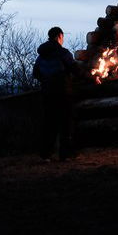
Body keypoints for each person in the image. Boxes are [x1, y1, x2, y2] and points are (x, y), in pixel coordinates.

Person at [33, 26, 78, 161]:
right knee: (66, 125)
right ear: (59, 36)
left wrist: (46, 83)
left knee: (49, 124)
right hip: (63, 94)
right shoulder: (63, 53)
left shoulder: (41, 56)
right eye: (62, 37)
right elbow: (75, 69)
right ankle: (65, 155)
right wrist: (92, 77)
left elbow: (36, 73)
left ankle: (46, 155)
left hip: (47, 94)